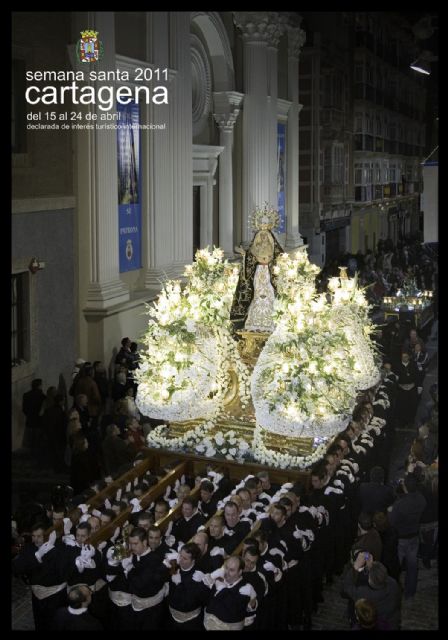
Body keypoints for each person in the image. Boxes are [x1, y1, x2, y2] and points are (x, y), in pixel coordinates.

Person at [230, 207, 284, 333]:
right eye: (262, 223)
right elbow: (252, 253)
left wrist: (273, 259)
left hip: (268, 270)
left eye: (266, 223)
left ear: (269, 224)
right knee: (257, 291)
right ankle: (254, 318)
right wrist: (245, 254)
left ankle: (271, 317)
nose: (264, 226)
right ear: (259, 224)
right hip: (259, 269)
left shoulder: (271, 238)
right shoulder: (258, 237)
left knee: (269, 291)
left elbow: (277, 252)